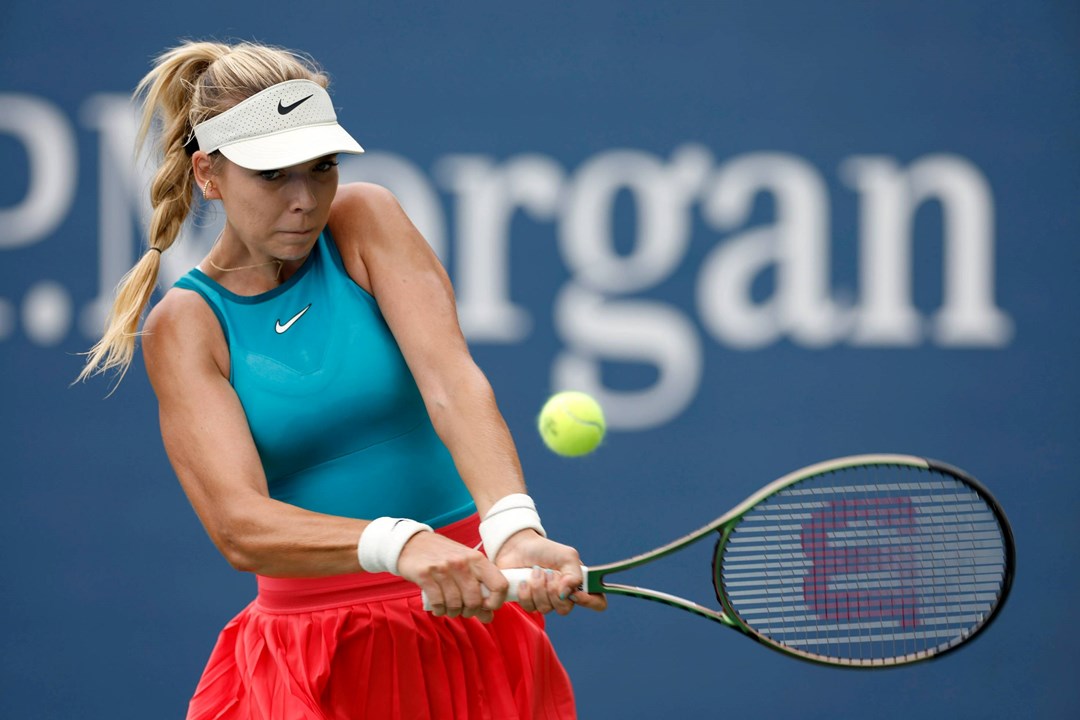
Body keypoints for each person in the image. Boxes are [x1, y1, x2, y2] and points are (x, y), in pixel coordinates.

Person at [78, 40, 606, 719]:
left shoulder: (365, 220)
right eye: (273, 175)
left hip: (468, 617)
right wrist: (401, 543)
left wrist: (512, 530)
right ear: (208, 175)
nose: (304, 201)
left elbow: (452, 383)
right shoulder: (185, 326)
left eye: (321, 167)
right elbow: (239, 525)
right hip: (312, 656)